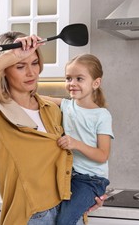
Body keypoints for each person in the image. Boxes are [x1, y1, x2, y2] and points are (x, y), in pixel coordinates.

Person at [0, 32, 104, 225]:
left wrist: (89, 191)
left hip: (69, 212)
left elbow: (74, 159)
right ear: (3, 69)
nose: (31, 73)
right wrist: (13, 54)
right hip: (32, 217)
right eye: (20, 66)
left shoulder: (51, 108)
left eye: (34, 63)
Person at [42, 54, 114, 225]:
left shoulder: (102, 116)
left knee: (64, 221)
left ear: (96, 83)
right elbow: (38, 99)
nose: (72, 83)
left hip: (91, 181)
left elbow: (103, 155)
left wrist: (75, 144)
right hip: (68, 176)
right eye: (68, 78)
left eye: (79, 78)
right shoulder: (67, 105)